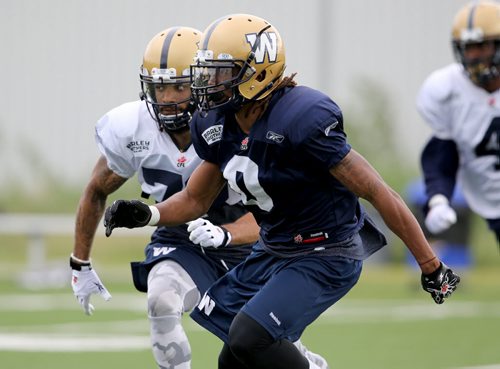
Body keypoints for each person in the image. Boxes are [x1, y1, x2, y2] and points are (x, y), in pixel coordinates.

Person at [103, 14, 461, 369]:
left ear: (257, 72)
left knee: (249, 337)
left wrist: (430, 265)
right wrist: (148, 214)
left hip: (325, 251)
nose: (209, 83)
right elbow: (196, 199)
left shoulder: (300, 118)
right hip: (274, 248)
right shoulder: (216, 124)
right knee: (234, 356)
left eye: (221, 73)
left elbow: (378, 192)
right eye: (207, 72)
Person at [70, 26, 261, 369]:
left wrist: (228, 234)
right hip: (180, 240)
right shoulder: (133, 128)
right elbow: (97, 188)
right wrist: (79, 263)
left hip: (246, 244)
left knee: (260, 347)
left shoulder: (235, 122)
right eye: (159, 87)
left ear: (203, 82)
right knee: (161, 301)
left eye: (179, 86)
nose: (168, 98)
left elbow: (273, 213)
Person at [417, 0, 500, 245]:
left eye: (481, 46)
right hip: (493, 203)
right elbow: (442, 153)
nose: (473, 55)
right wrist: (438, 199)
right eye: (468, 47)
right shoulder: (446, 90)